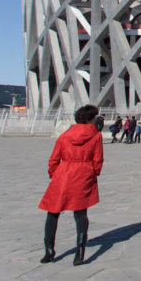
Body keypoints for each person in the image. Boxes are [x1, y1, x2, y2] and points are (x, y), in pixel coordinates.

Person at [38, 104, 103, 266]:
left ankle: (49, 251)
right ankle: (80, 253)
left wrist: (55, 175)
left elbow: (53, 159)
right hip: (83, 174)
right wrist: (93, 173)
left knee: (52, 213)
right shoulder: (95, 136)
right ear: (89, 119)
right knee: (80, 214)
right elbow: (98, 159)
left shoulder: (64, 136)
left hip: (63, 174)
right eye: (94, 117)